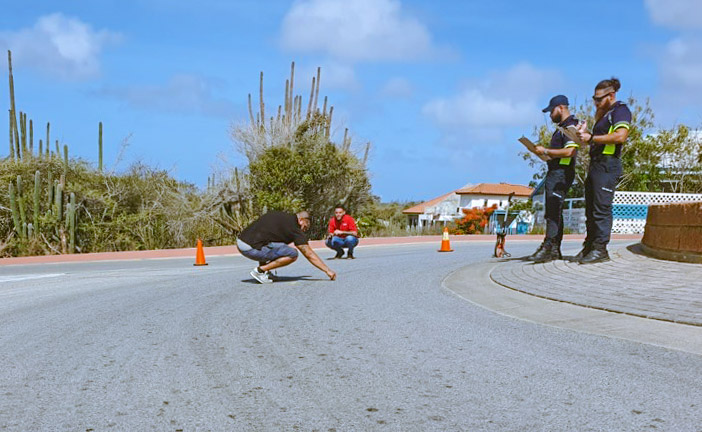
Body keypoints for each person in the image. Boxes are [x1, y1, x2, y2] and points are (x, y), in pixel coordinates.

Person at [575, 77, 632, 264]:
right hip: (596, 164)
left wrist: (591, 138)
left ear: (612, 95)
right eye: (594, 99)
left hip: (608, 165)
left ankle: (601, 250)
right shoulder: (604, 114)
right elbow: (595, 135)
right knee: (590, 209)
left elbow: (620, 136)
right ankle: (590, 246)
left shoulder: (621, 110)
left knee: (601, 209)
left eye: (599, 99)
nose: (596, 102)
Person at [528, 95, 580, 262]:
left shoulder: (570, 126)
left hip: (561, 174)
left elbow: (570, 151)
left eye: (551, 111)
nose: (550, 115)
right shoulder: (562, 127)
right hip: (556, 171)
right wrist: (544, 154)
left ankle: (549, 246)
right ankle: (554, 249)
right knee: (554, 211)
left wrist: (546, 151)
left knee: (553, 212)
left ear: (560, 108)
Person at [236, 210, 337, 284]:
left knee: (278, 246)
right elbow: (308, 253)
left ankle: (264, 272)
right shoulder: (295, 228)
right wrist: (327, 270)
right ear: (301, 220)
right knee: (292, 254)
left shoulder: (280, 216)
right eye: (306, 225)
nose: (305, 229)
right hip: (250, 248)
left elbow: (265, 238)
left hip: (241, 241)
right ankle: (259, 271)